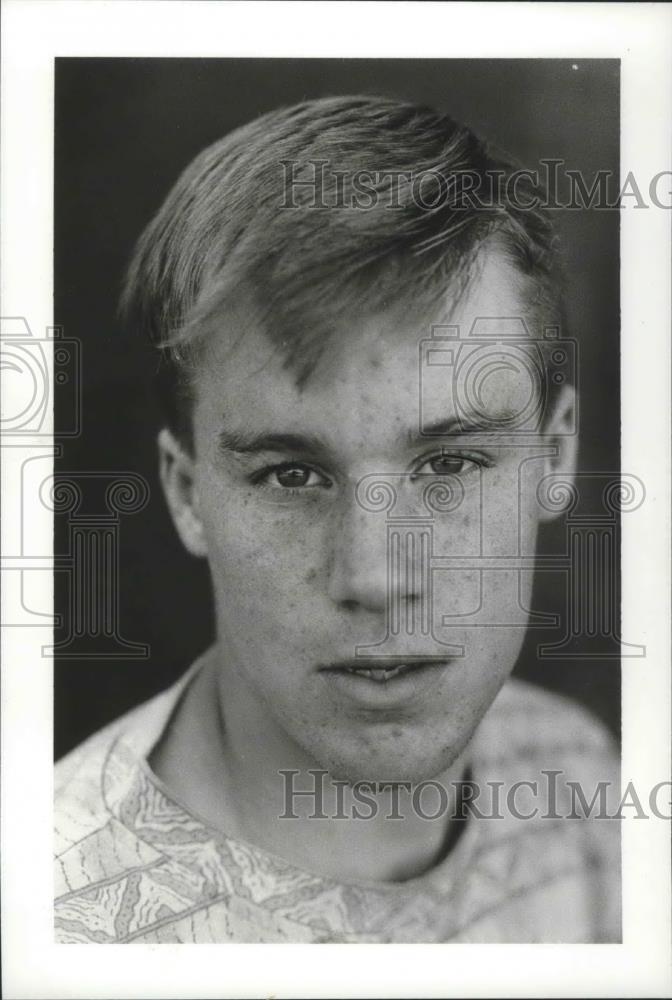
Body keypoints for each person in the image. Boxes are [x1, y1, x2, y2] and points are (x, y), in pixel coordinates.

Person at [54, 94, 620, 943]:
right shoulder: (52, 911)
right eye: (290, 474)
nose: (373, 576)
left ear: (557, 457)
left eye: (451, 463)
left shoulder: (578, 772)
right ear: (185, 492)